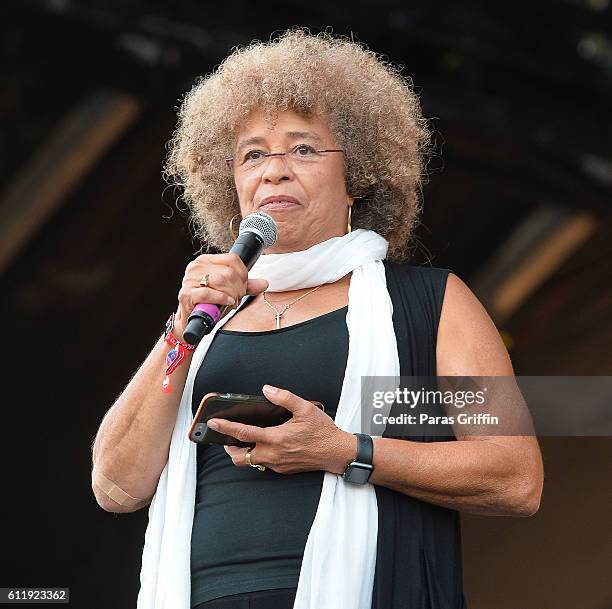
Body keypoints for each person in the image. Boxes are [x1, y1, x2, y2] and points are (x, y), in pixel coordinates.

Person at [91, 29, 544, 609]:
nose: (274, 170)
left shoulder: (426, 306)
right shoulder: (206, 319)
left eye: (303, 149)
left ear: (357, 176)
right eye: (253, 154)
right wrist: (181, 328)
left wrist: (345, 450)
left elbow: (514, 477)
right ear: (231, 183)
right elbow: (116, 484)